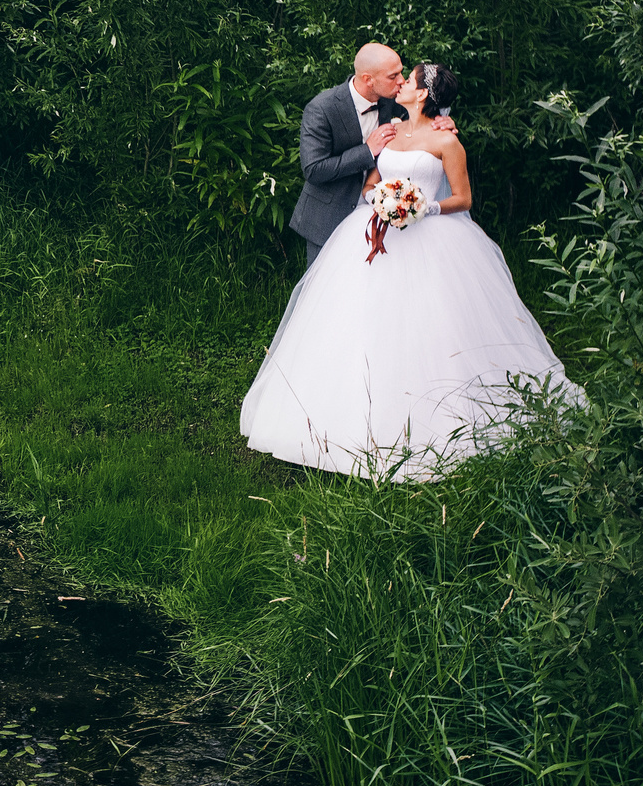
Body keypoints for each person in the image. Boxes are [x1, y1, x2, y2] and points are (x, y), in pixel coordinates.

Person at [241, 61, 576, 478]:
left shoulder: (447, 141)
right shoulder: (392, 129)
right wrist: (380, 201)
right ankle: (337, 420)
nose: (400, 84)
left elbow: (464, 198)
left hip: (431, 238)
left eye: (408, 80)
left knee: (431, 328)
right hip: (374, 233)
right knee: (357, 323)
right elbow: (370, 182)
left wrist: (423, 207)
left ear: (422, 93)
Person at [289, 44, 406, 279]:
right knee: (323, 288)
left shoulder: (394, 101)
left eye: (402, 72)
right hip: (328, 216)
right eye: (393, 76)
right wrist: (367, 151)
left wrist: (442, 124)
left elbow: (424, 120)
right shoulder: (322, 108)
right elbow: (313, 169)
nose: (402, 81)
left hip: (380, 216)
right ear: (368, 79)